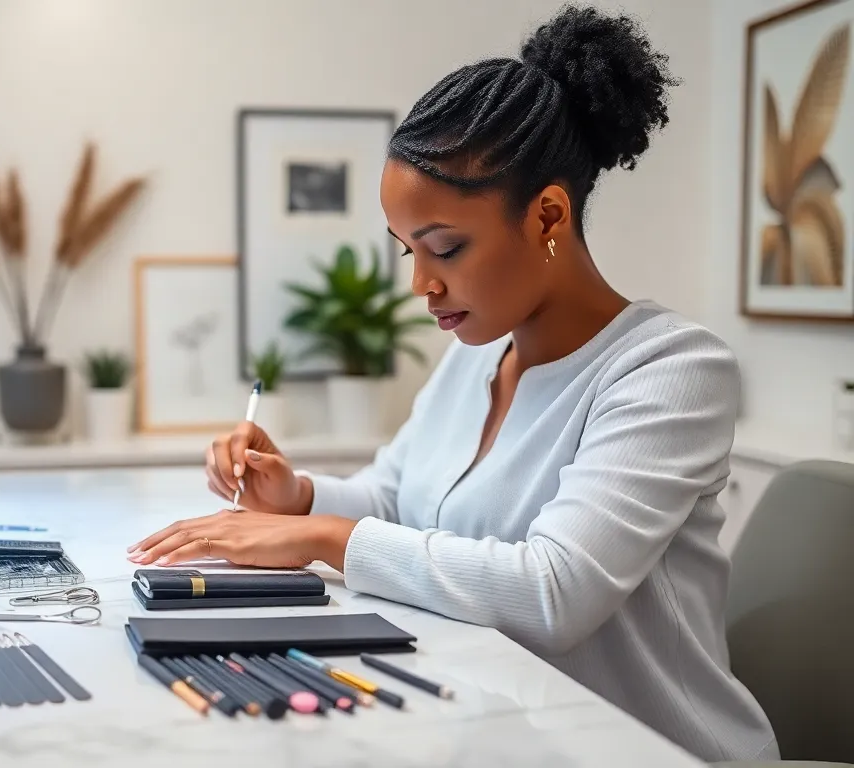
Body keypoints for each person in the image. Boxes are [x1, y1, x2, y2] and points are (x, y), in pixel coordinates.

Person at [127, 4, 779, 763]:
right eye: (408, 251)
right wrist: (298, 497)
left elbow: (554, 592)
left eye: (445, 248)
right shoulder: (476, 353)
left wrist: (317, 536)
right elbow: (399, 499)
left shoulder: (670, 372)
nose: (421, 286)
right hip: (508, 731)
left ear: (547, 217)